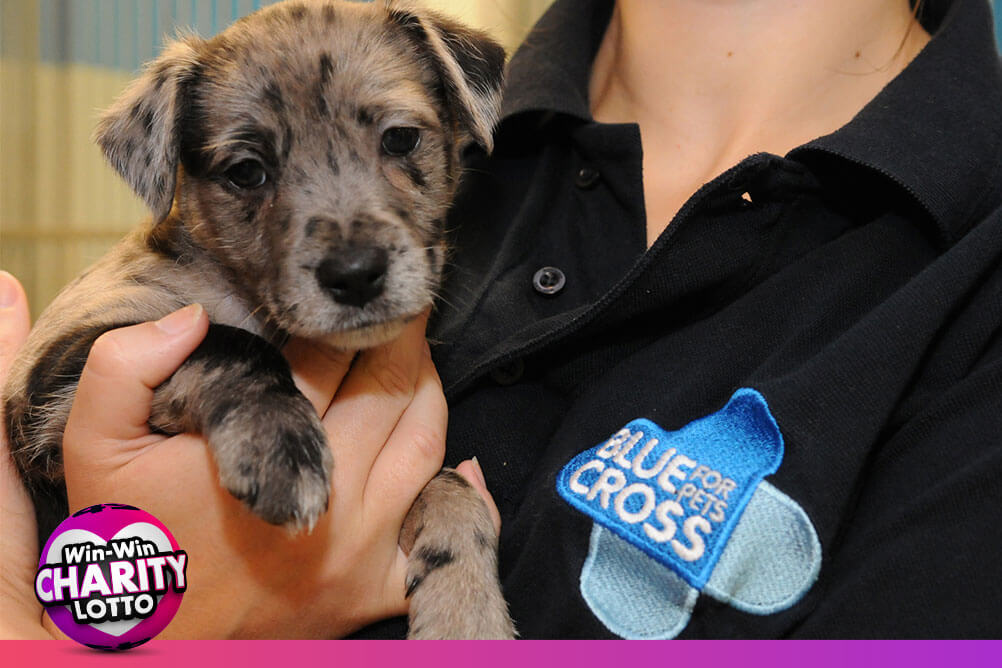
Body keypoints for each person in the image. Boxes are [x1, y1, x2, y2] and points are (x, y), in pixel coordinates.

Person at [3, 0, 1001, 639]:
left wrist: (94, 609)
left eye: (399, 145)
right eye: (252, 174)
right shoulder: (473, 162)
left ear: (447, 116)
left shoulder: (965, 272)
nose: (348, 240)